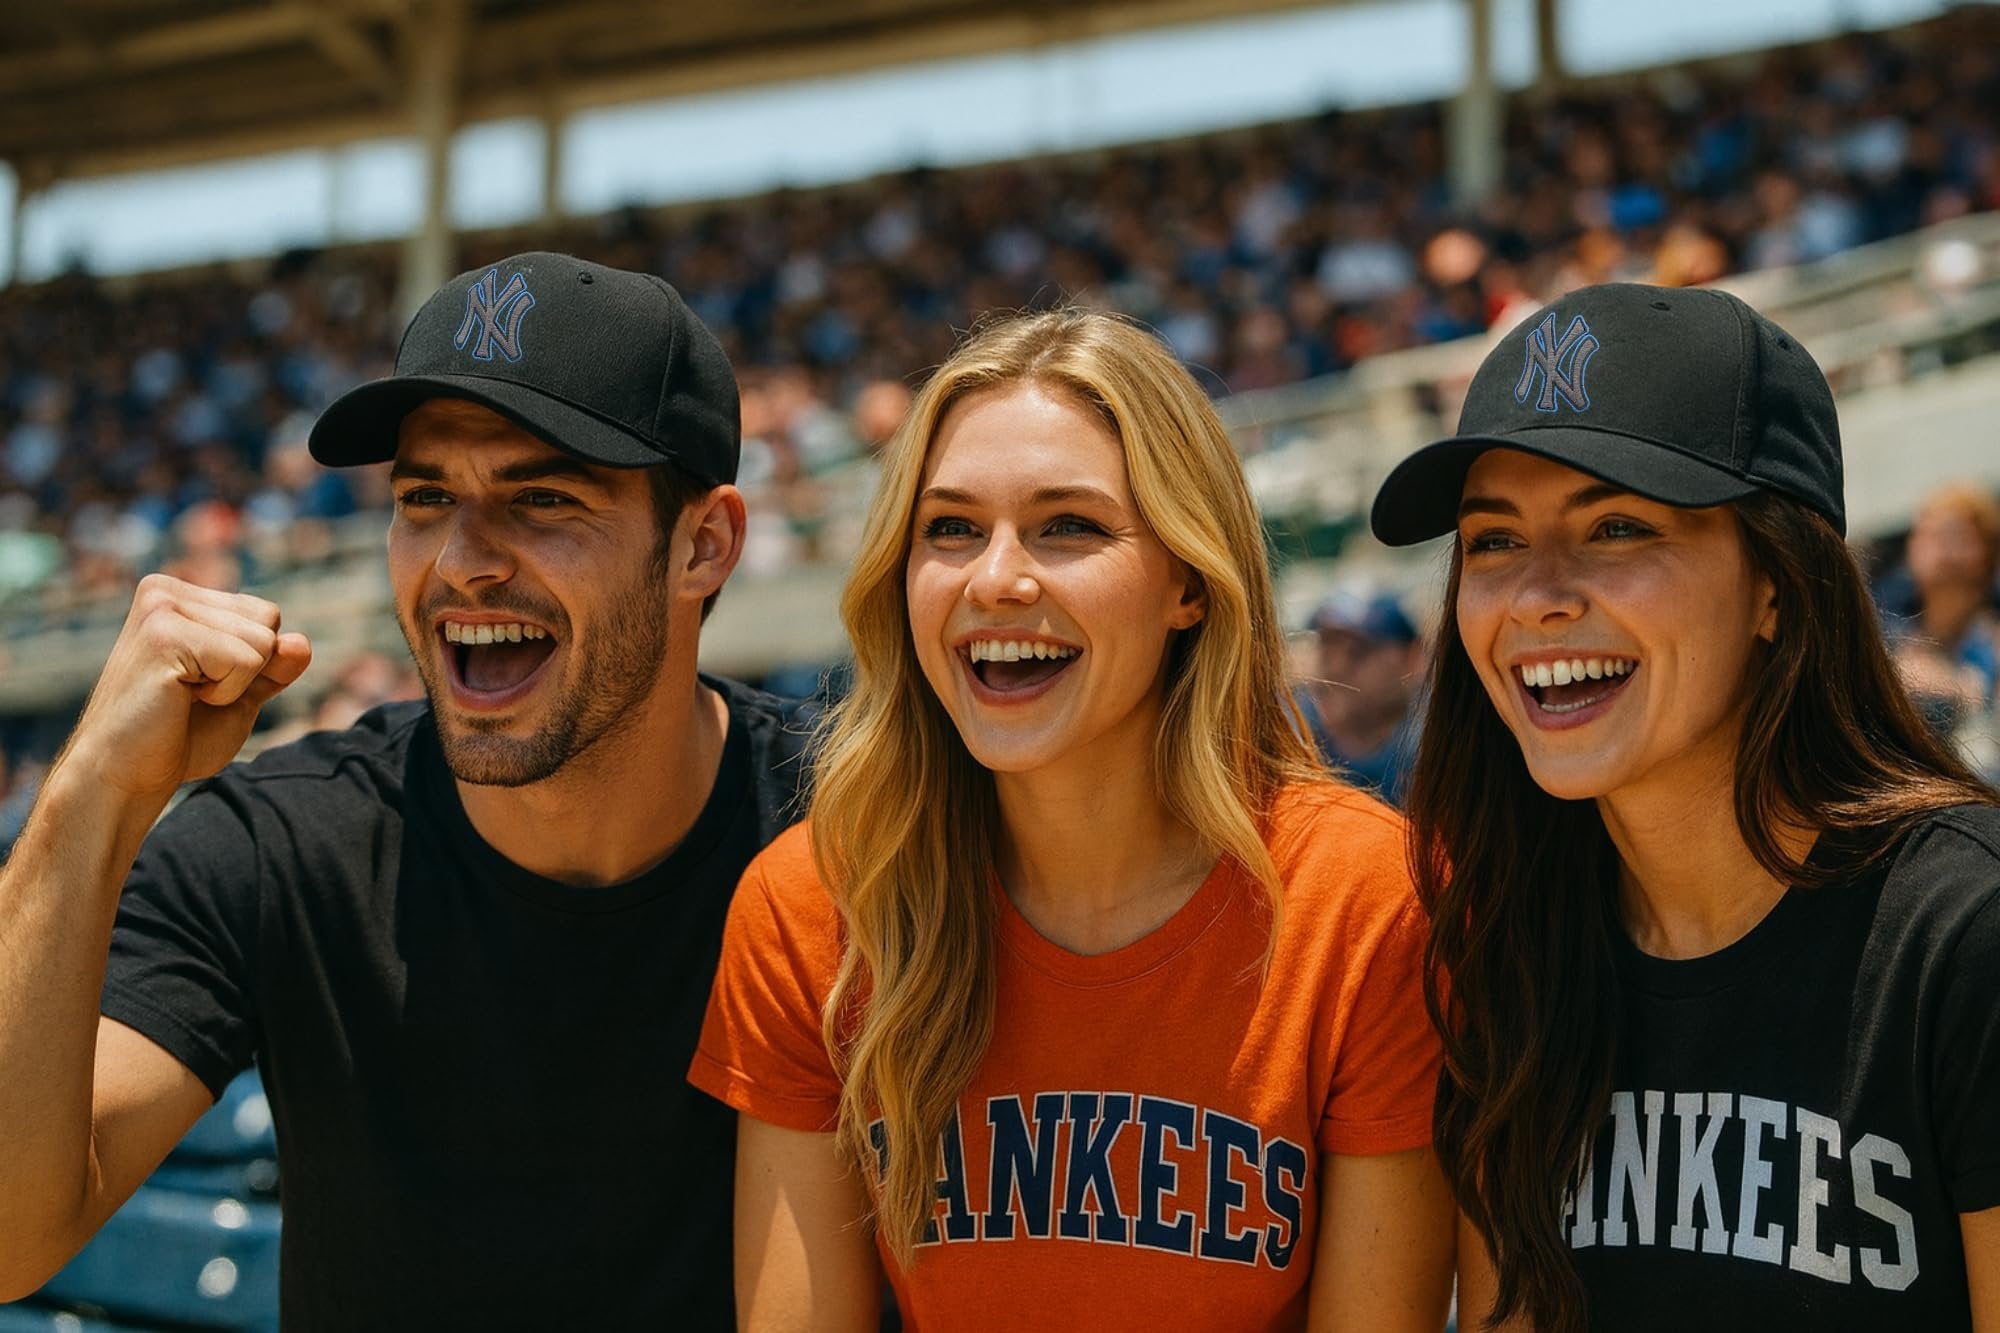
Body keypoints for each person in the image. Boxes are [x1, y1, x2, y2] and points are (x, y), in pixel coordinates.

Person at [0, 252, 813, 1328]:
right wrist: (91, 791)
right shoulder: (281, 843)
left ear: (702, 544)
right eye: (425, 497)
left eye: (541, 497)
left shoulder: (854, 831)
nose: (464, 559)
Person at [691, 310, 1455, 1330]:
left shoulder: (1363, 902)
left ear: (1187, 580)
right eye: (950, 528)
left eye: (1068, 526)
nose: (996, 576)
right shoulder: (817, 906)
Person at [1368, 282, 2000, 1332]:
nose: (1536, 594)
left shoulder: (1962, 936)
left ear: (1777, 586)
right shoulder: (1508, 950)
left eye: (1614, 525)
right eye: (1491, 541)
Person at [1878, 482, 2000, 742]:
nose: (1939, 547)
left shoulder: (1991, 640)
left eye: (1955, 534)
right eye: (1928, 533)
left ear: (1985, 552)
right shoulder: (1884, 626)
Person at [1297, 588, 1426, 805]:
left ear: (1410, 658)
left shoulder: (1437, 756)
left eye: (1357, 651)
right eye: (1325, 650)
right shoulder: (1293, 748)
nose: (1335, 670)